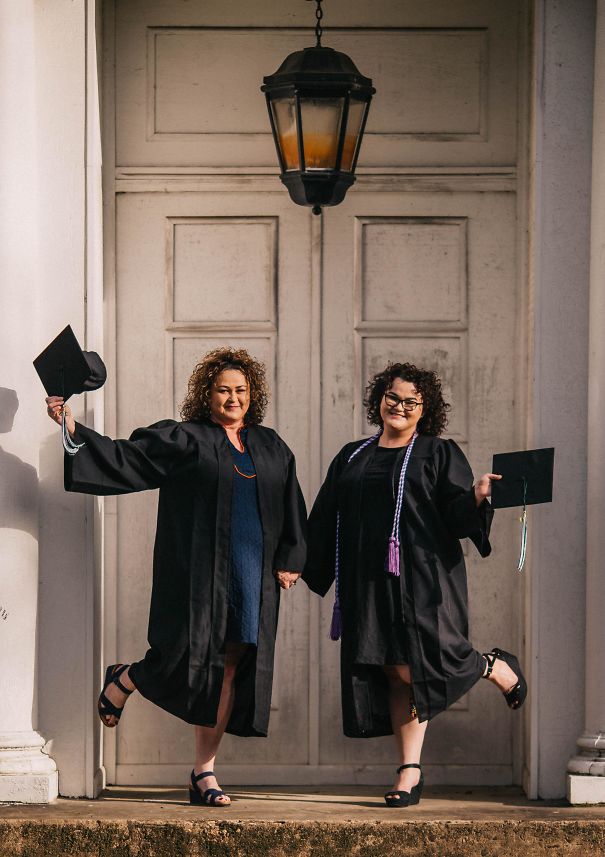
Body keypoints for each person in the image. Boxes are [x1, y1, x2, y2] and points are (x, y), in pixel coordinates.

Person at [45, 347, 305, 807]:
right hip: (199, 574)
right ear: (207, 394)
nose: (233, 397)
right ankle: (127, 679)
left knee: (228, 666)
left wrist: (291, 557)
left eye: (241, 390)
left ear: (253, 395)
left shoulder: (270, 446)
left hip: (252, 576)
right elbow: (128, 458)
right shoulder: (187, 438)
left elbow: (291, 506)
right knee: (185, 655)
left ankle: (204, 771)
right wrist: (71, 428)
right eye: (223, 389)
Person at [303, 362, 526, 808]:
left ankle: (491, 666)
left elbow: (457, 515)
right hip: (367, 579)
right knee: (391, 667)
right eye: (392, 397)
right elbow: (326, 514)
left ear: (425, 408)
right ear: (378, 400)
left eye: (410, 401)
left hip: (424, 576)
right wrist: (297, 561)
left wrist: (478, 496)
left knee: (416, 664)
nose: (399, 407)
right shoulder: (352, 455)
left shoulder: (438, 453)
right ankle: (409, 770)